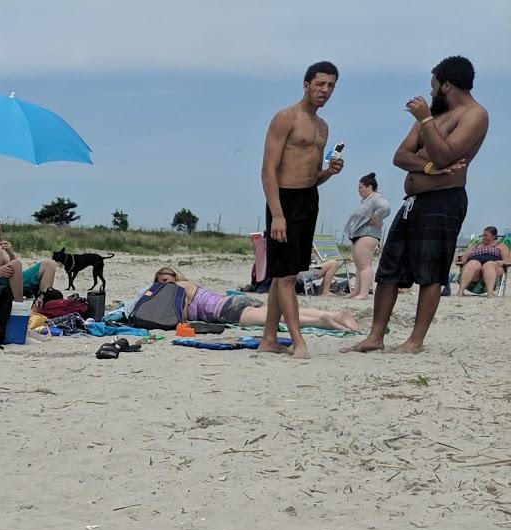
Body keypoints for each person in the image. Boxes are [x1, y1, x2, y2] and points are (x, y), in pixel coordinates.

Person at [346, 56, 490, 353]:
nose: (430, 90)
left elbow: (445, 156)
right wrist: (426, 168)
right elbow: (400, 156)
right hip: (413, 201)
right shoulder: (435, 117)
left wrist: (425, 122)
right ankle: (376, 336)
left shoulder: (474, 115)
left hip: (444, 200)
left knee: (431, 270)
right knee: (389, 268)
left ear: (447, 85)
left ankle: (415, 340)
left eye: (433, 85)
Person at [259, 60, 344, 359]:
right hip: (284, 200)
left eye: (331, 85)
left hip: (308, 199)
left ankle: (269, 338)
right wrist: (277, 213)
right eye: (320, 84)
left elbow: (310, 176)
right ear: (306, 84)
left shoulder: (323, 126)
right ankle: (299, 342)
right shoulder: (286, 117)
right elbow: (269, 169)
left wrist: (329, 173)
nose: (325, 90)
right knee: (285, 277)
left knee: (287, 271)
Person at [152, 267, 361, 332]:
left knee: (277, 318)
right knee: (281, 312)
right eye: (160, 281)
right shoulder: (190, 285)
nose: (163, 284)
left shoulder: (177, 288)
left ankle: (322, 321)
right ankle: (337, 314)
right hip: (236, 300)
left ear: (174, 278)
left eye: (165, 280)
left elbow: (182, 314)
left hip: (227, 311)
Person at [0, 215, 57, 302]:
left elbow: (14, 265)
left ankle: (43, 302)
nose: (0, 234)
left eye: (0, 231)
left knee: (50, 264)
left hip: (13, 280)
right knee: (15, 264)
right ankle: (19, 304)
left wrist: (10, 252)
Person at [343, 173, 391, 299]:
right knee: (359, 266)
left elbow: (385, 207)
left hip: (368, 234)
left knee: (364, 265)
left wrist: (377, 217)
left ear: (369, 187)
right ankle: (356, 292)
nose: (358, 190)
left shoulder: (375, 198)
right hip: (358, 234)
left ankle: (363, 293)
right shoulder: (366, 200)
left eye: (360, 187)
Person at [454, 226, 508, 296]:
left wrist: (503, 262)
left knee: (489, 265)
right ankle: (460, 292)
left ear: (494, 236)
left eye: (486, 235)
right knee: (473, 263)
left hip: (493, 266)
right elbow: (464, 259)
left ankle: (490, 293)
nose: (483, 237)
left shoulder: (501, 246)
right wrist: (459, 260)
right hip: (475, 271)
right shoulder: (474, 246)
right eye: (483, 235)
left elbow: (508, 260)